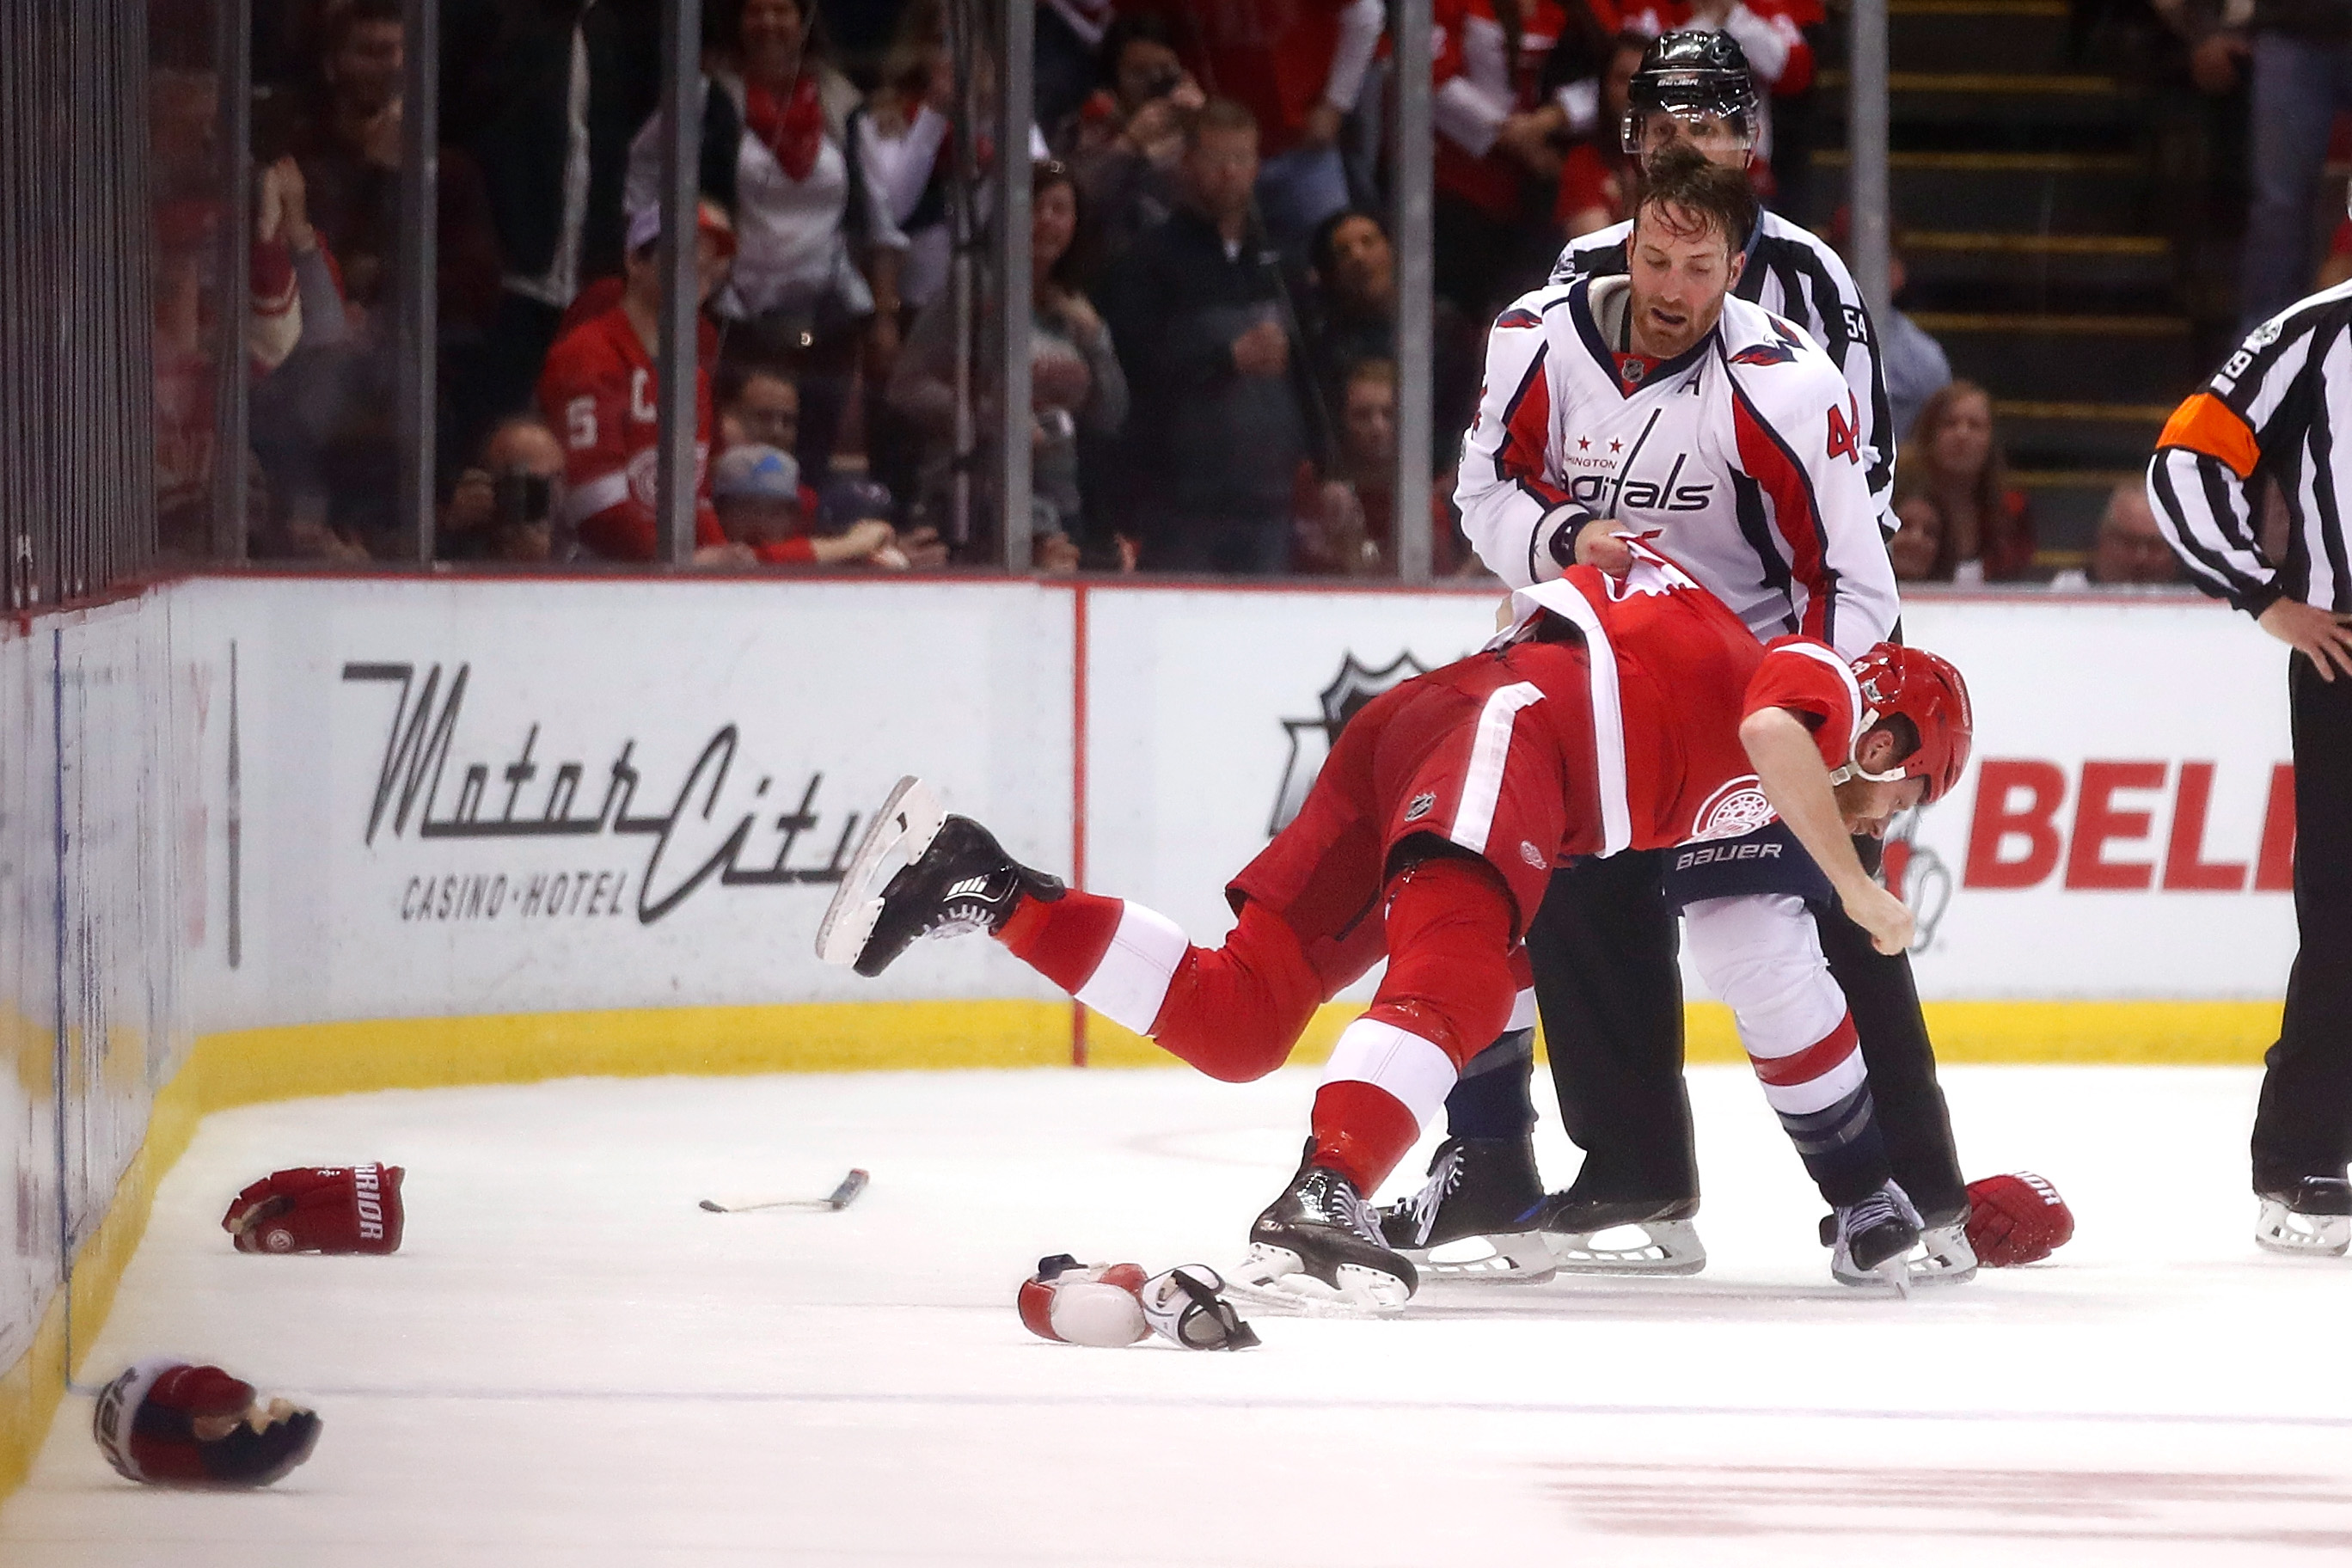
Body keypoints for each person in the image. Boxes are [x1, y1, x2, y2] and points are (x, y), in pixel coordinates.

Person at [822, 544, 1973, 1305]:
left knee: (1246, 1019)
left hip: (1441, 735)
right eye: (1910, 793)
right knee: (1465, 973)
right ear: (1890, 737)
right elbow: (1779, 741)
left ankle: (983, 884)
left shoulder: (1756, 736)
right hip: (1508, 737)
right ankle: (1328, 1189)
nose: (1890, 820)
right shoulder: (1818, 686)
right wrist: (1863, 897)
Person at [1440, 144, 1988, 1288]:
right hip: (1583, 670)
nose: (1671, 287)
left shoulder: (1790, 384)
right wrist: (1564, 540)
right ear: (1627, 238)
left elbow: (1852, 578)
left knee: (1752, 932)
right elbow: (1486, 490)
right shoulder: (1532, 336)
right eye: (1654, 256)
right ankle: (1496, 1158)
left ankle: (1872, 1196)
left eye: (1698, 266)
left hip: (1734, 696)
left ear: (1737, 267)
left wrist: (1816, 708)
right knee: (1488, 881)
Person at [2147, 270, 2352, 1255]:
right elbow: (2187, 457)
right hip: (2348, 662)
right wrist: (2263, 593)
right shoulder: (2313, 336)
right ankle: (2304, 1157)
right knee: (2348, 913)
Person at [1553, 32, 1896, 531]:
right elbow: (1533, 445)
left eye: (1702, 129)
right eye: (1664, 132)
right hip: (1619, 578)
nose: (1682, 153)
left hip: (1767, 592)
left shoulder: (1812, 276)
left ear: (1747, 142)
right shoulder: (1585, 265)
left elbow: (1868, 464)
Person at [625, 0, 910, 486]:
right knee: (734, 447)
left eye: (782, 10)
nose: (768, 23)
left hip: (824, 319)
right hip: (735, 314)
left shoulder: (839, 102)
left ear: (805, 22)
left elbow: (877, 217)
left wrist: (885, 313)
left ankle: (803, 545)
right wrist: (660, 242)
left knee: (811, 457)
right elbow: (644, 170)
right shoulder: (705, 98)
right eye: (755, 10)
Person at [1102, 100, 1313, 575]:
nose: (1230, 174)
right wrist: (1224, 357)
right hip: (1182, 500)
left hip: (1269, 499)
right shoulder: (1152, 258)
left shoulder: (1281, 256)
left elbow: (1310, 371)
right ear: (1188, 164)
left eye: (1241, 160)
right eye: (1217, 161)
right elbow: (1136, 360)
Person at [890, 161, 1126, 560]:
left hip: (1058, 505)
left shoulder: (1076, 306)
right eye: (1034, 207)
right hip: (972, 502)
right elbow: (907, 387)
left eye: (1059, 209)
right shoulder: (967, 293)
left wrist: (1097, 338)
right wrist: (994, 417)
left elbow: (1111, 414)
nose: (1045, 221)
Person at [536, 199, 753, 566]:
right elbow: (596, 508)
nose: (703, 264)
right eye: (686, 251)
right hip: (583, 582)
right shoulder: (587, 353)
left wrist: (723, 558)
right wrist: (686, 565)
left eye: (710, 255)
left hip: (661, 578)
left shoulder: (692, 374)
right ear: (635, 262)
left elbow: (693, 497)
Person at [1125, 0, 1386, 250]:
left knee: (1326, 253)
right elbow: (1137, 31)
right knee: (1210, 260)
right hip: (1214, 155)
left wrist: (1335, 103)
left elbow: (1366, 14)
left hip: (1298, 150)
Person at [1301, 209, 1481, 469]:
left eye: (1368, 242)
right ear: (1331, 273)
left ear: (1392, 250)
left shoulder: (1444, 328)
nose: (1359, 257)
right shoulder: (1322, 342)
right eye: (1344, 251)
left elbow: (1460, 415)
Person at [1893, 380, 2033, 584]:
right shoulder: (1891, 497)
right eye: (1950, 423)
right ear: (1929, 433)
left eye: (1975, 426)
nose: (1962, 434)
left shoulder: (2012, 510)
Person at [710, 444, 918, 567]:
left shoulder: (817, 552)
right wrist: (858, 543)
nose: (759, 521)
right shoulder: (708, 556)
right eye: (744, 509)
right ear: (720, 512)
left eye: (775, 512)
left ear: (794, 517)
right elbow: (755, 558)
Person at [1555, 32, 1649, 240]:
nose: (1633, 93)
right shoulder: (1583, 163)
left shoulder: (1681, 161)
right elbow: (1599, 257)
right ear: (1603, 87)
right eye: (1623, 79)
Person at [440, 414, 567, 563]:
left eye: (555, 479)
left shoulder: (587, 555)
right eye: (527, 483)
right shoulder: (453, 553)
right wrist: (447, 522)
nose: (545, 496)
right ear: (488, 483)